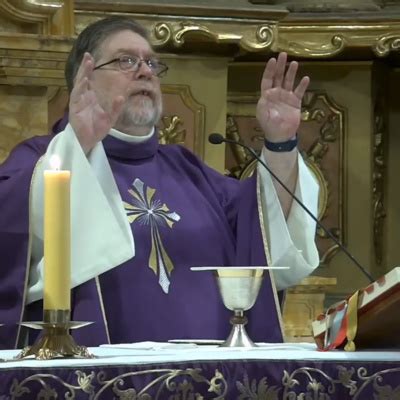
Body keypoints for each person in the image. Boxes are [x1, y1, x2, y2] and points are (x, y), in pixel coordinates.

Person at [0, 16, 319, 349]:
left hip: (209, 381)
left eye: (151, 62)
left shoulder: (188, 169)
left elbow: (265, 234)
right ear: (84, 78)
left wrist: (281, 143)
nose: (145, 71)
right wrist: (78, 141)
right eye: (126, 61)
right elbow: (13, 237)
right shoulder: (44, 160)